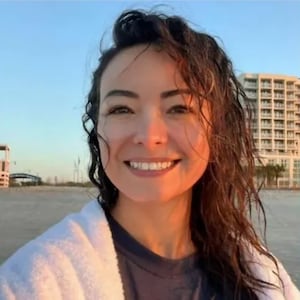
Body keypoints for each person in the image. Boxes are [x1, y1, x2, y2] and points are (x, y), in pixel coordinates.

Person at [0, 9, 299, 300]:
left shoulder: (261, 275)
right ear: (97, 128)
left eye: (179, 108)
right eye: (121, 109)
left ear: (216, 131)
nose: (148, 136)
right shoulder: (30, 283)